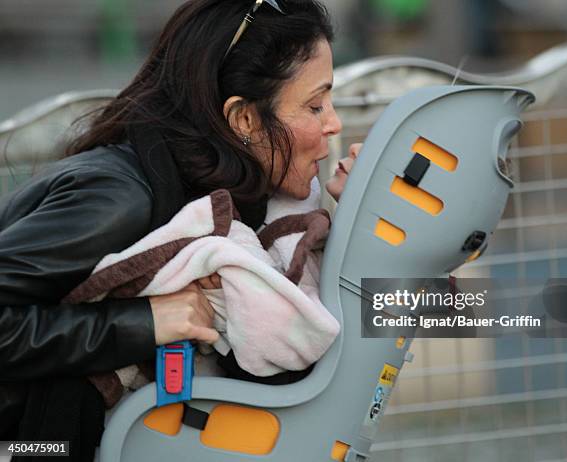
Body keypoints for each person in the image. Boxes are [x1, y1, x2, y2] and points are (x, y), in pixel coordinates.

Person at [0, 0, 345, 458]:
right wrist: (144, 323)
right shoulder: (119, 199)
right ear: (243, 119)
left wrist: (366, 214)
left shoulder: (238, 202)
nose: (335, 123)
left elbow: (412, 316)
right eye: (315, 104)